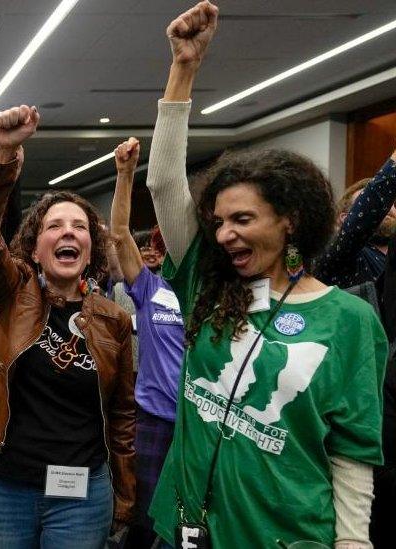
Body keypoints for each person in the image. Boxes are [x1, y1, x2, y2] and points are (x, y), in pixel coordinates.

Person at [144, 3, 387, 547]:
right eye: (219, 220)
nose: (225, 233)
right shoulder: (207, 286)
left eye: (243, 219)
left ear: (289, 220)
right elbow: (163, 183)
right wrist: (183, 68)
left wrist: (352, 541)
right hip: (183, 528)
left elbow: (353, 451)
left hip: (284, 533)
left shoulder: (348, 320)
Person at [0, 105, 136, 549]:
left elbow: (123, 416)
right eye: (55, 226)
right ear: (33, 250)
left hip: (82, 494)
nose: (68, 232)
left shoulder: (114, 321)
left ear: (91, 250)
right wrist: (3, 154)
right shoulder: (11, 292)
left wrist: (124, 496)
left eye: (79, 227)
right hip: (10, 488)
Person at [110, 138, 184, 549]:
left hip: (200, 426)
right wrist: (124, 175)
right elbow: (119, 234)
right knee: (141, 524)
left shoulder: (214, 293)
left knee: (187, 526)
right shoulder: (150, 288)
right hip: (152, 423)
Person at [315, 148, 396, 288]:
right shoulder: (340, 254)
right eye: (378, 204)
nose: (385, 207)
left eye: (391, 203)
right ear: (345, 218)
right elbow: (361, 220)